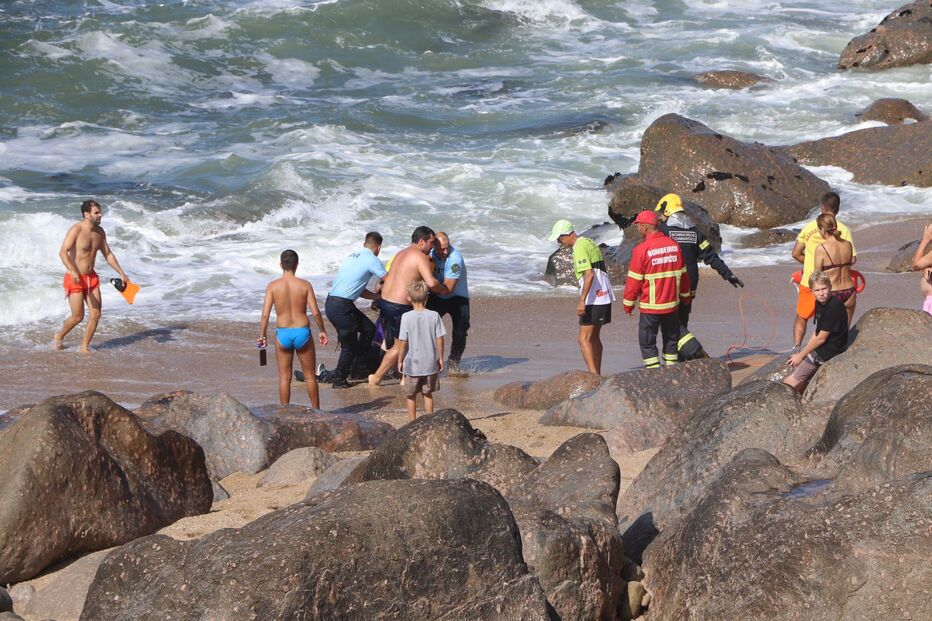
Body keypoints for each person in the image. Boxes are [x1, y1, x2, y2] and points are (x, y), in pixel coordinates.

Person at [655, 193, 741, 359]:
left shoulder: (664, 231)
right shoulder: (695, 233)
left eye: (660, 212)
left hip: (671, 283)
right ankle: (680, 358)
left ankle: (695, 352)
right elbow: (710, 256)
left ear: (666, 211)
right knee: (682, 320)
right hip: (690, 283)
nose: (659, 216)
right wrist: (728, 274)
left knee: (669, 322)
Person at [368, 226, 449, 385]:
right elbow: (431, 282)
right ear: (421, 241)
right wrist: (444, 289)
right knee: (401, 345)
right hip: (398, 306)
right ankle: (376, 378)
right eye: (431, 243)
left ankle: (404, 376)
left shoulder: (401, 253)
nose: (432, 247)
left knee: (401, 342)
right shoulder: (419, 257)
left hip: (385, 302)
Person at [54, 200, 132, 352]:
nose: (100, 215)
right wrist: (73, 270)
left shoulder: (100, 232)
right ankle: (59, 335)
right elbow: (63, 252)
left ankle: (84, 347)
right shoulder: (76, 229)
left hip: (91, 278)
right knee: (78, 316)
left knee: (96, 313)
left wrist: (122, 273)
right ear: (86, 214)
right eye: (96, 213)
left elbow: (108, 254)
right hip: (74, 277)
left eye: (100, 212)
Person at [258, 250, 328, 407]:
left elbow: (265, 315)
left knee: (284, 377)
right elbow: (316, 312)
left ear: (280, 265)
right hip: (302, 332)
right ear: (297, 265)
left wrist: (262, 336)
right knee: (310, 376)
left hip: (282, 334)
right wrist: (322, 330)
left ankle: (284, 413)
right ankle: (317, 412)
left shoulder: (272, 286)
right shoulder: (305, 285)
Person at [622, 211, 691, 369]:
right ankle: (672, 370)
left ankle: (654, 373)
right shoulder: (674, 246)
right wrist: (686, 297)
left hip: (651, 307)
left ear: (645, 227)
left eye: (638, 224)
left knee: (647, 342)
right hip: (672, 305)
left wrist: (628, 304)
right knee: (671, 339)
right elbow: (683, 276)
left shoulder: (641, 250)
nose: (637, 227)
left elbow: (634, 282)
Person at [548, 219, 615, 375]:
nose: (559, 242)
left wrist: (581, 301)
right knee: (594, 338)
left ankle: (593, 376)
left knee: (583, 339)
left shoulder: (578, 247)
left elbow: (589, 274)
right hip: (604, 296)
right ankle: (597, 373)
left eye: (559, 238)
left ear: (569, 234)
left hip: (594, 299)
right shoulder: (589, 242)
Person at [791, 191, 856, 350]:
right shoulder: (844, 231)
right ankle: (841, 352)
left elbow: (796, 253)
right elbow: (852, 259)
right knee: (842, 328)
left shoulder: (810, 228)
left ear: (821, 207)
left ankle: (798, 348)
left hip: (817, 285)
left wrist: (806, 267)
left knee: (804, 318)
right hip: (848, 289)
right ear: (838, 210)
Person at [322, 232, 386, 387]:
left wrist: (377, 297)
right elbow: (388, 279)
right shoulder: (372, 259)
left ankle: (358, 366)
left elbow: (359, 289)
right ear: (378, 247)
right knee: (348, 346)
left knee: (369, 329)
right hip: (341, 306)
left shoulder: (352, 256)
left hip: (332, 303)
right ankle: (339, 379)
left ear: (365, 244)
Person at [783, 271, 849, 394]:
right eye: (817, 290)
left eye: (824, 289)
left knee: (789, 381)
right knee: (803, 378)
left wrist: (801, 355)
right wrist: (806, 350)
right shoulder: (819, 303)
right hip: (822, 347)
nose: (821, 293)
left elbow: (821, 338)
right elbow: (817, 331)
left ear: (830, 287)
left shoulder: (834, 306)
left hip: (829, 350)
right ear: (812, 291)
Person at [396, 280, 446, 422]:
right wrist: (441, 358)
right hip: (430, 363)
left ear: (409, 298)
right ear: (427, 297)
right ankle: (429, 420)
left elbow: (403, 342)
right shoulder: (434, 315)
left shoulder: (406, 317)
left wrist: (399, 360)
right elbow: (440, 339)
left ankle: (412, 421)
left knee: (411, 395)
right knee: (428, 393)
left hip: (412, 364)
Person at [427, 232, 470, 371]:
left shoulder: (455, 259)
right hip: (437, 294)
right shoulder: (430, 255)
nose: (445, 251)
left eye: (447, 247)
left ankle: (453, 362)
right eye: (442, 248)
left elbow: (448, 289)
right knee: (425, 327)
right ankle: (427, 360)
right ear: (434, 246)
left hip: (457, 296)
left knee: (460, 332)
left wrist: (429, 286)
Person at [813, 214, 857, 325]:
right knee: (844, 333)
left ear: (822, 229)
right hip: (850, 291)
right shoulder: (848, 244)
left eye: (819, 229)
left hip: (832, 293)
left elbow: (817, 275)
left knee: (825, 333)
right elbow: (851, 261)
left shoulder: (821, 249)